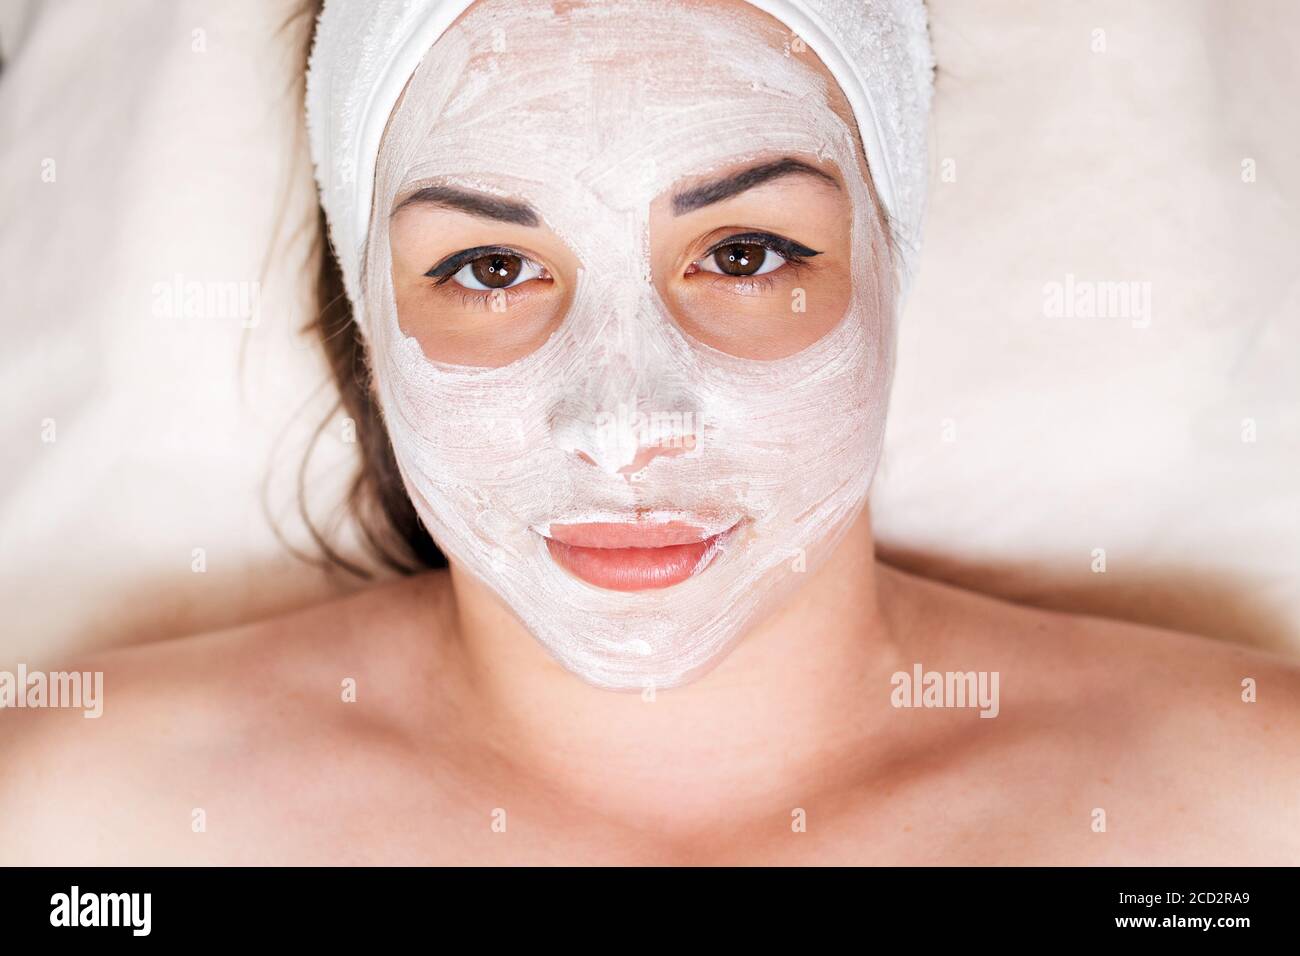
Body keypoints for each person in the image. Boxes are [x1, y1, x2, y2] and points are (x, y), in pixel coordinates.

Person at [2, 0, 1297, 866]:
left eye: (742, 251)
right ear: (369, 330)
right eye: (491, 269)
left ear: (892, 265)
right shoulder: (94, 828)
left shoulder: (1245, 813)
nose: (622, 423)